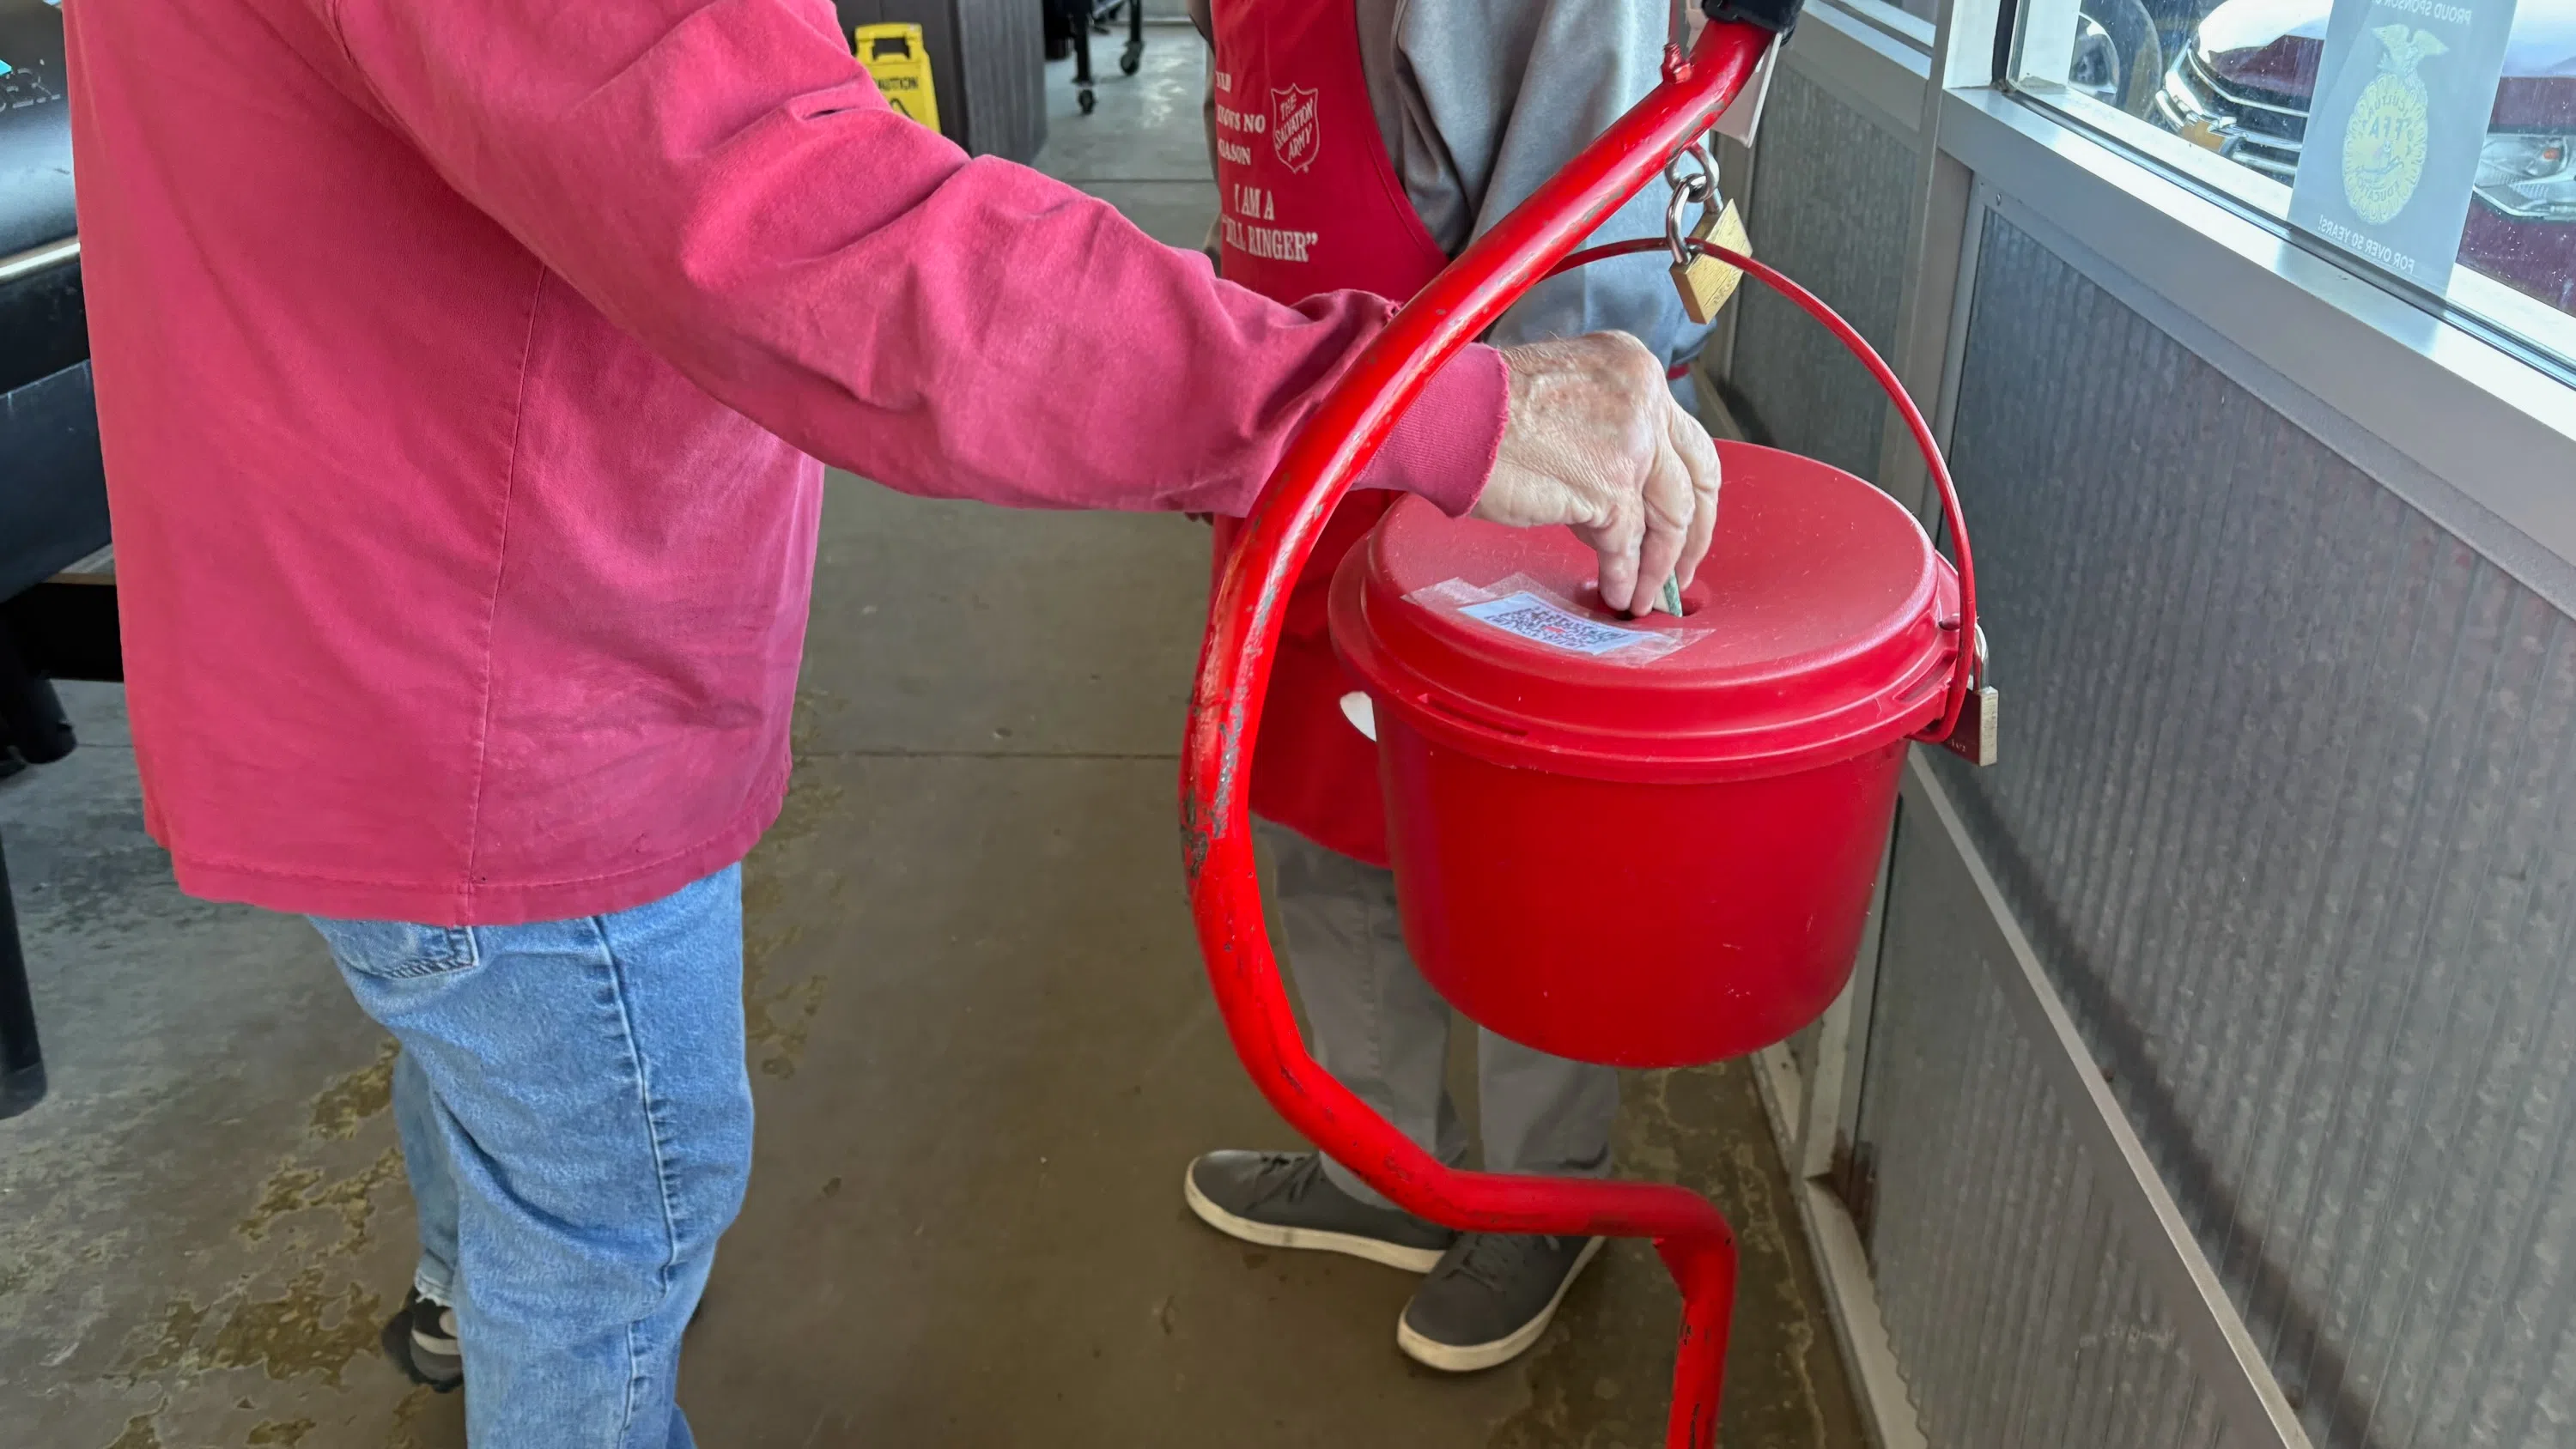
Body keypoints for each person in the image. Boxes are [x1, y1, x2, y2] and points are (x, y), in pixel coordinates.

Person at [62, 0, 1719, 1444]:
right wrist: (1410, 399)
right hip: (494, 697)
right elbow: (832, 253)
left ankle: (464, 1280)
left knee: (501, 1098)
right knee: (617, 1213)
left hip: (378, 621)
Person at [1178, 0, 1722, 1374]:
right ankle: (1383, 1172)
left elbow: (1584, 257)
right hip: (1307, 460)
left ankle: (1544, 1197)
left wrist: (1560, 497)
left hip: (1505, 484)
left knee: (1526, 874)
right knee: (1321, 828)